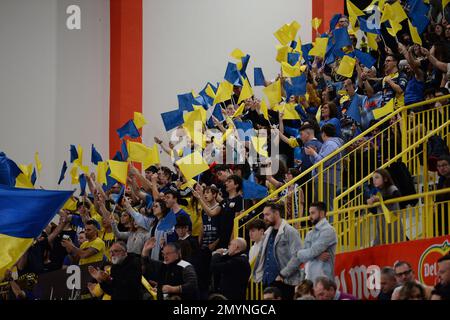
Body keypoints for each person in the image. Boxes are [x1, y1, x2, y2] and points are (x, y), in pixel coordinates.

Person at [254, 202, 303, 300]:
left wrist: (283, 274)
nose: (265, 218)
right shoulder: (267, 233)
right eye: (264, 215)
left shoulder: (290, 231)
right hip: (268, 281)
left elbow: (298, 256)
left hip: (284, 281)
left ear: (276, 214)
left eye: (267, 214)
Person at [282, 202, 337, 283]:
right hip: (309, 279)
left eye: (312, 213)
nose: (309, 217)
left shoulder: (329, 231)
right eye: (309, 213)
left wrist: (302, 253)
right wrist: (316, 256)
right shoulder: (310, 233)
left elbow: (311, 252)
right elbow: (303, 256)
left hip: (324, 282)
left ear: (321, 213)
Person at [305, 124, 344, 211]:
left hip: (326, 179)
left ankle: (329, 224)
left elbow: (322, 161)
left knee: (326, 207)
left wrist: (314, 153)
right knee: (321, 207)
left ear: (323, 134)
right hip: (324, 179)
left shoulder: (331, 145)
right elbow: (317, 162)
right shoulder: (328, 144)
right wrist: (312, 154)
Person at [367, 169, 405, 246]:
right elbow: (374, 211)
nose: (374, 180)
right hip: (381, 225)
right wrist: (370, 204)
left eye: (377, 177)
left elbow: (397, 195)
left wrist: (380, 199)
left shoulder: (391, 188)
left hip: (393, 224)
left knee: (395, 245)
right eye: (373, 178)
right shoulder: (377, 192)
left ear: (385, 179)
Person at [217, 175, 244, 249]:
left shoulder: (239, 200)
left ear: (236, 185)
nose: (226, 183)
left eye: (229, 182)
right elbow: (211, 213)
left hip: (230, 236)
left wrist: (232, 239)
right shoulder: (225, 200)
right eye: (226, 181)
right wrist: (200, 197)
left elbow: (236, 221)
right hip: (222, 235)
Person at [247, 219, 266, 283]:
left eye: (253, 231)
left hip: (265, 281)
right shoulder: (252, 248)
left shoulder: (267, 245)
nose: (250, 234)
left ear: (262, 231)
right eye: (249, 231)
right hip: (255, 282)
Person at [435, 155, 450, 236]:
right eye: (439, 166)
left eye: (444, 165)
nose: (441, 168)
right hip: (443, 215)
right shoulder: (441, 179)